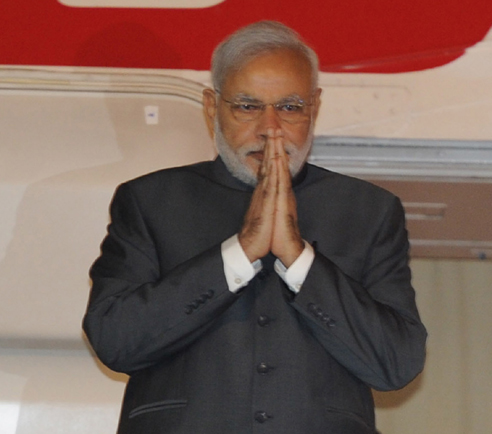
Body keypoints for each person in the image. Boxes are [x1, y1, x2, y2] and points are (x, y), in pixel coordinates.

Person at [83, 20, 427, 434]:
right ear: (212, 107)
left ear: (314, 107)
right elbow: (114, 340)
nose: (270, 129)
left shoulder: (368, 210)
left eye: (290, 107)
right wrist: (241, 251)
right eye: (247, 107)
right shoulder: (150, 201)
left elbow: (397, 364)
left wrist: (298, 258)